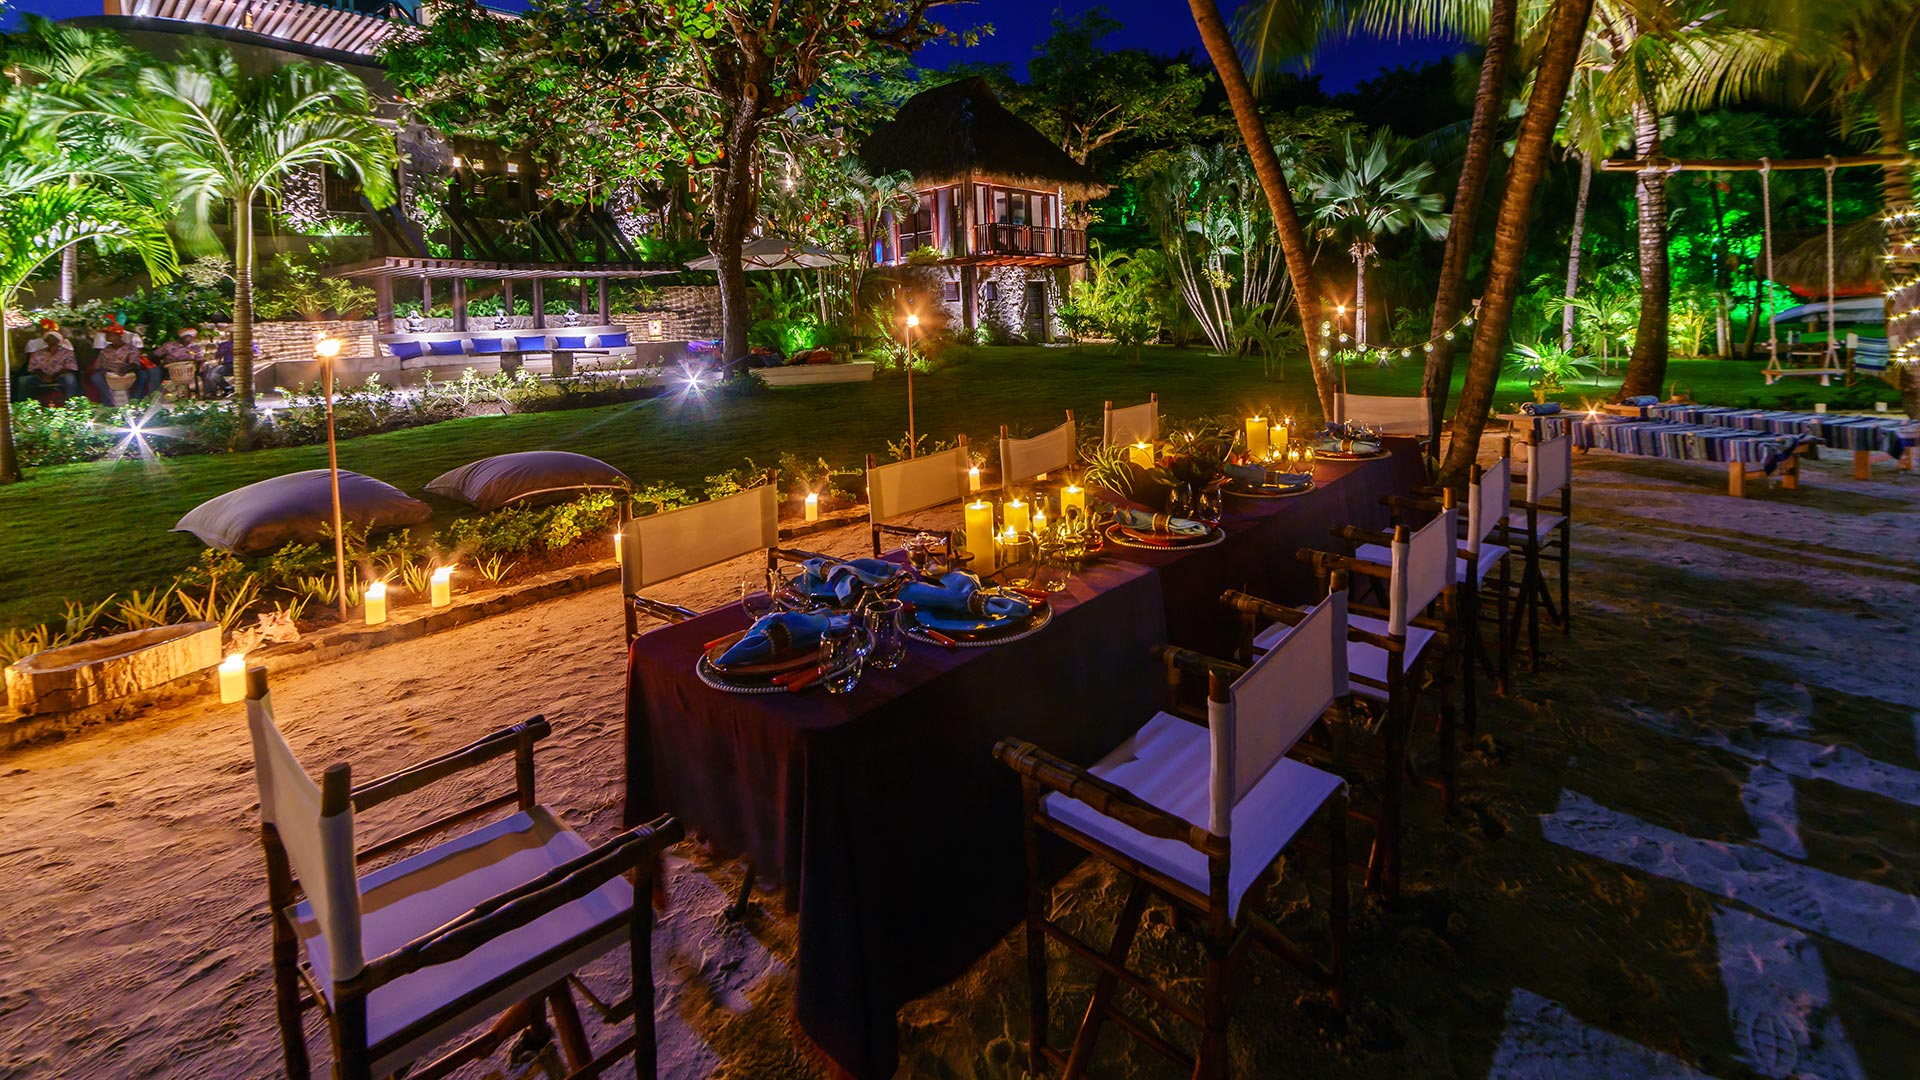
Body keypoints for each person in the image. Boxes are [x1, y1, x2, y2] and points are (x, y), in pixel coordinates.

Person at [89, 320, 161, 401]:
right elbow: (98, 365)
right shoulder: (105, 350)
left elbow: (135, 363)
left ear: (118, 336)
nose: (106, 337)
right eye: (106, 335)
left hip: (127, 371)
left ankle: (135, 400)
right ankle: (109, 402)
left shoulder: (130, 348)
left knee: (143, 375)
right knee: (96, 377)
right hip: (108, 372)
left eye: (110, 335)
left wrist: (126, 369)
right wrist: (107, 370)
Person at [15, 331, 82, 402]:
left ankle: (71, 403)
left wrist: (53, 376)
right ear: (45, 340)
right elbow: (33, 368)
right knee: (22, 381)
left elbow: (70, 367)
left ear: (59, 340)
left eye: (53, 338)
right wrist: (44, 376)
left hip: (60, 376)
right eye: (49, 338)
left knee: (70, 379)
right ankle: (24, 404)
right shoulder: (37, 353)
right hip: (41, 376)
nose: (51, 340)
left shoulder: (67, 352)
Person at [149, 326, 206, 396]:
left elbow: (200, 359)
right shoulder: (169, 346)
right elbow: (155, 355)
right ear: (181, 337)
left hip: (188, 371)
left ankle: (204, 393)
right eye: (187, 336)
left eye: (191, 336)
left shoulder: (195, 348)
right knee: (154, 371)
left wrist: (197, 365)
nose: (189, 339)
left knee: (205, 370)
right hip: (169, 369)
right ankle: (153, 395)